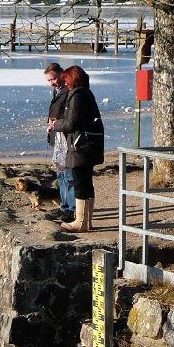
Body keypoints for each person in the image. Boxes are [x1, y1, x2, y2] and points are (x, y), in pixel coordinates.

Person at [49, 65, 105, 233]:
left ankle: (80, 222)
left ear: (72, 79)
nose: (64, 83)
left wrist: (55, 124)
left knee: (81, 182)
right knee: (86, 183)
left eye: (66, 80)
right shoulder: (85, 93)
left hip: (81, 145)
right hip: (88, 144)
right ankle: (86, 221)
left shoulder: (78, 95)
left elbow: (72, 122)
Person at [43, 62, 74, 223]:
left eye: (53, 79)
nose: (52, 83)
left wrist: (55, 124)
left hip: (66, 138)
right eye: (49, 80)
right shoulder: (57, 91)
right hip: (57, 136)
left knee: (68, 175)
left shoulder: (68, 90)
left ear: (61, 74)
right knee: (60, 174)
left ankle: (71, 209)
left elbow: (68, 116)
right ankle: (64, 206)